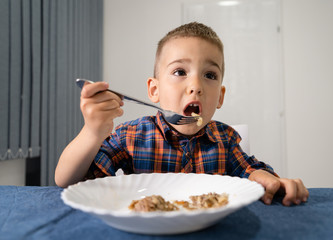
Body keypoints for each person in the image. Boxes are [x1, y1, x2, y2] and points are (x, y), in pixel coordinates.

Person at [55, 22, 309, 206]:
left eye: (209, 75)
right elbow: (67, 180)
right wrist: (92, 132)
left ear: (220, 97)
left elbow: (250, 170)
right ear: (154, 90)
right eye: (180, 72)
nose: (196, 85)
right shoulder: (131, 136)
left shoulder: (225, 140)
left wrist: (267, 178)